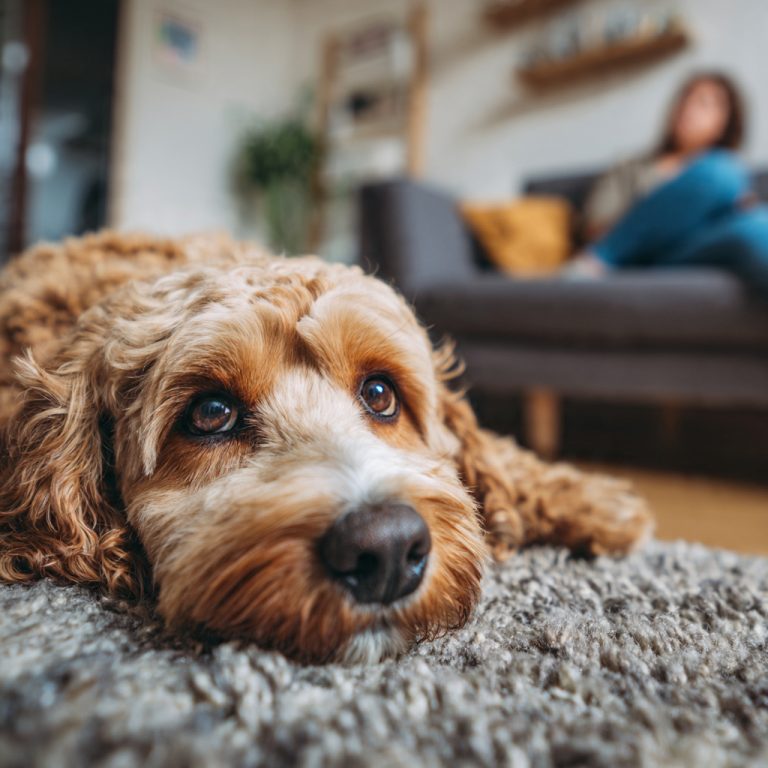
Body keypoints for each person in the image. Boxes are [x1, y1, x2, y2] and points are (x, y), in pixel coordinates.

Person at [568, 71, 768, 298]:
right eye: (685, 99)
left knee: (758, 220)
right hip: (636, 258)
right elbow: (595, 226)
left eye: (704, 103)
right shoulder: (631, 167)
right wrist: (664, 206)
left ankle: (600, 258)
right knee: (722, 171)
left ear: (726, 122)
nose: (689, 109)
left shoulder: (730, 174)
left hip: (691, 252)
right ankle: (599, 258)